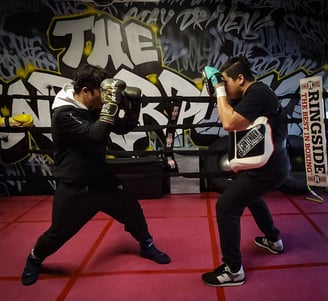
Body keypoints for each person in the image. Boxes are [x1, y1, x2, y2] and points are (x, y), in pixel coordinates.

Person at [21, 64, 171, 286]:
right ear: (86, 91)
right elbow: (95, 134)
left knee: (132, 209)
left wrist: (133, 108)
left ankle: (146, 245)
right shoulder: (64, 114)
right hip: (75, 186)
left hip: (101, 180)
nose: (106, 98)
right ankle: (34, 258)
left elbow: (120, 128)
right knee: (57, 233)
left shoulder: (92, 107)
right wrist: (111, 104)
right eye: (102, 93)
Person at [202, 56, 290, 287]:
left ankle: (233, 270)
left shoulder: (258, 94)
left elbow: (229, 123)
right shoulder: (252, 94)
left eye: (227, 81)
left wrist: (219, 89)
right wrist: (221, 89)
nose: (224, 86)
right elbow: (230, 114)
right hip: (268, 164)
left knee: (226, 206)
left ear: (240, 78)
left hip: (269, 168)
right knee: (251, 198)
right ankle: (273, 240)